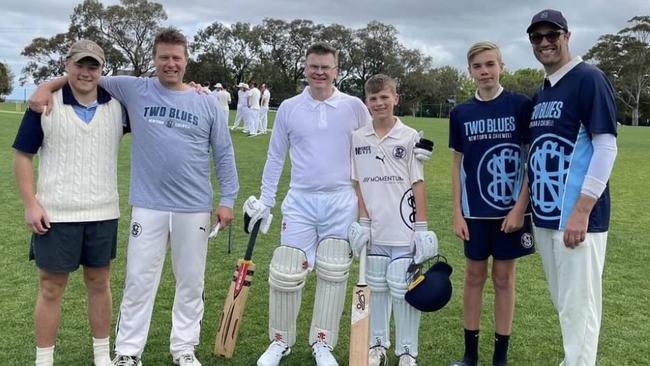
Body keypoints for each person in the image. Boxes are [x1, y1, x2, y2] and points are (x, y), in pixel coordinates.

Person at [30, 28, 239, 366]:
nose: (170, 64)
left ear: (186, 61)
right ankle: (128, 352)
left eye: (176, 58)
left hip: (194, 207)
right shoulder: (135, 88)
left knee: (190, 280)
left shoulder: (208, 102)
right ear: (154, 60)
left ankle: (184, 348)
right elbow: (84, 76)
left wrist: (227, 198)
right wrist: (45, 86)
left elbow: (224, 154)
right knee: (139, 280)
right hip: (148, 205)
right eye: (164, 57)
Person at [242, 42, 371, 366]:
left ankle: (322, 343)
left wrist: (368, 210)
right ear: (305, 68)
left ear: (336, 70)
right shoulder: (289, 108)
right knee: (287, 270)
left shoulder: (354, 107)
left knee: (334, 273)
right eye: (314, 66)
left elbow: (371, 153)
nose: (320, 72)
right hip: (300, 199)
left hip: (341, 199)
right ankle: (280, 341)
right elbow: (275, 158)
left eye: (326, 67)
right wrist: (267, 202)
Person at [13, 40, 126, 366]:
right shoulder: (44, 104)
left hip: (103, 211)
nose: (86, 72)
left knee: (99, 283)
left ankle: (103, 356)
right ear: (68, 65)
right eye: (80, 65)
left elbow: (157, 92)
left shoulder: (118, 105)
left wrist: (192, 89)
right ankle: (43, 360)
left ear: (102, 70)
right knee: (51, 288)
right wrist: (31, 203)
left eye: (94, 66)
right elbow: (22, 157)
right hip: (56, 213)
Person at [526, 9, 617, 366]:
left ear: (567, 35)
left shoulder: (589, 79)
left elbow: (606, 146)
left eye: (552, 34)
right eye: (537, 37)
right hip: (546, 217)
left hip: (576, 217)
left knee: (580, 306)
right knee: (566, 303)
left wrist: (581, 211)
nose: (545, 42)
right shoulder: (543, 91)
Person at [448, 41, 535, 366]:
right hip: (473, 213)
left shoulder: (520, 105)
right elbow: (456, 167)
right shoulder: (461, 113)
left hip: (509, 213)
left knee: (503, 279)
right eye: (477, 66)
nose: (484, 71)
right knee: (473, 277)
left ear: (501, 66)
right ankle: (470, 355)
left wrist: (519, 208)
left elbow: (531, 162)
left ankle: (500, 357)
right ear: (470, 71)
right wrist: (457, 212)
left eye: (490, 64)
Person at [348, 74, 438, 366]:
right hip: (374, 230)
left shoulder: (410, 136)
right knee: (377, 287)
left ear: (395, 99)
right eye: (373, 99)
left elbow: (418, 184)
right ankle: (377, 345)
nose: (379, 103)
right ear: (367, 102)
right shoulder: (358, 137)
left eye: (384, 97)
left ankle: (408, 351)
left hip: (404, 228)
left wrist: (421, 228)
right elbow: (359, 183)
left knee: (403, 289)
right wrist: (362, 221)